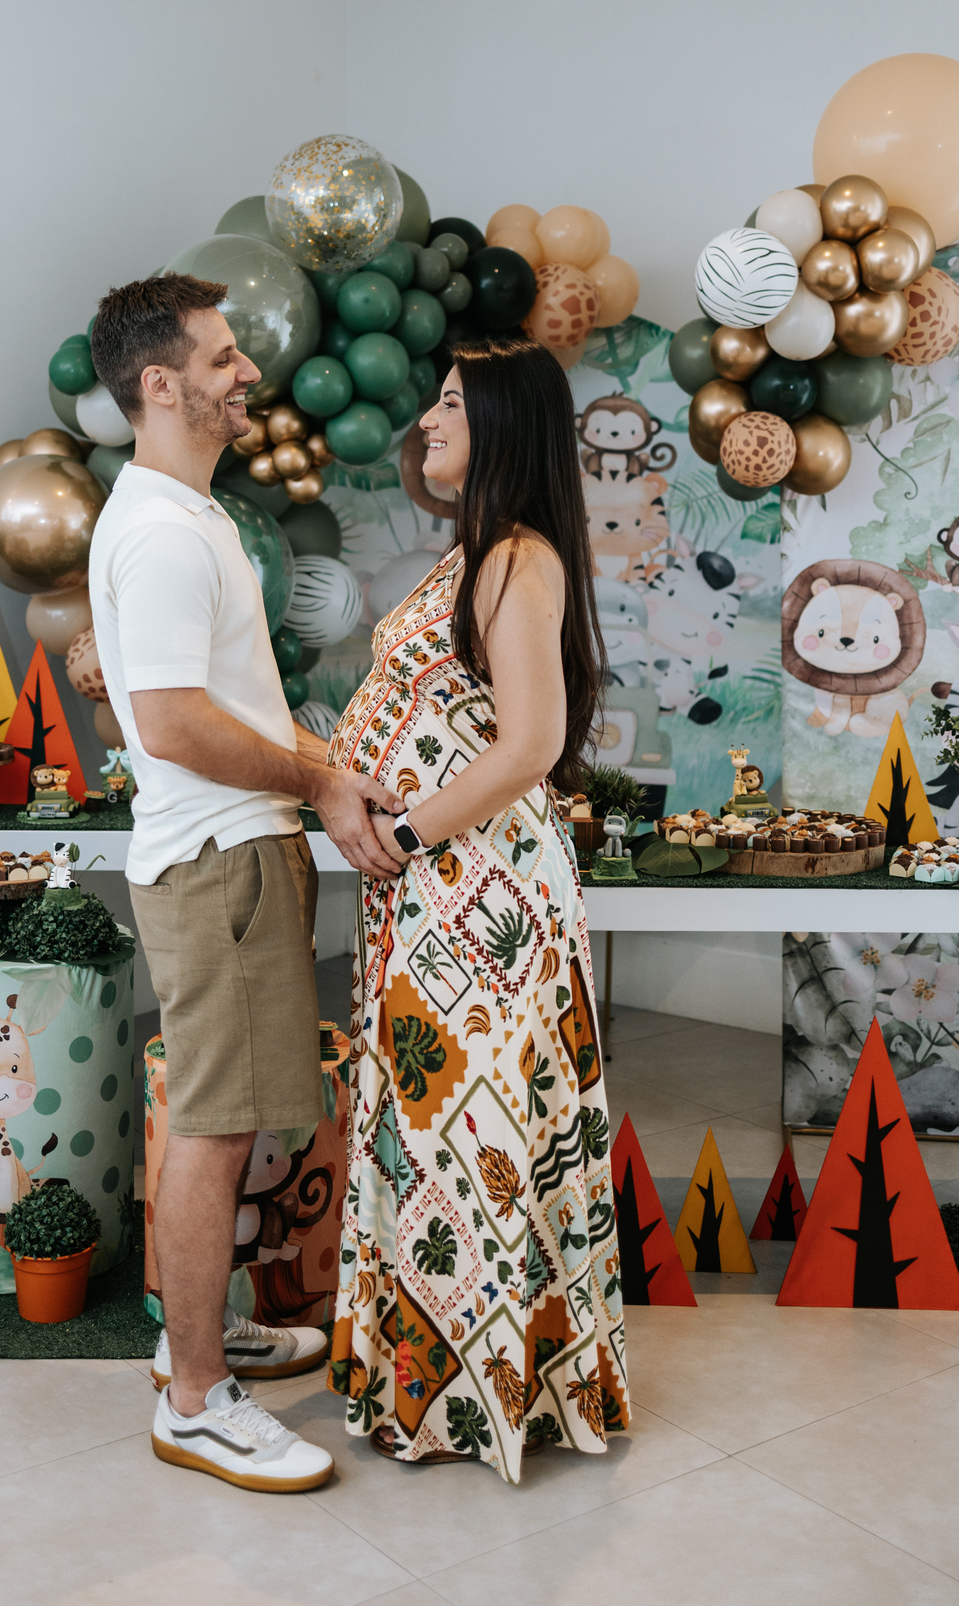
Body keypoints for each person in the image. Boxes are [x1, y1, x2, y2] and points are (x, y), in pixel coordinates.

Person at [87, 273, 402, 1494]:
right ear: (158, 385)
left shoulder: (191, 514)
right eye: (220, 359)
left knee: (239, 1116)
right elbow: (168, 723)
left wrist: (323, 764)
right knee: (215, 1132)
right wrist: (319, 786)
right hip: (220, 857)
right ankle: (196, 1400)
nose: (243, 374)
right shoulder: (166, 530)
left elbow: (221, 703)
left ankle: (204, 1341)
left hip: (235, 851)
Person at [326, 339, 630, 1483]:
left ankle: (490, 1400)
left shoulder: (519, 560)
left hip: (483, 904)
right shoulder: (465, 558)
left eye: (452, 403)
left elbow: (532, 745)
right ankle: (428, 1389)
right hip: (437, 903)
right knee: (430, 1137)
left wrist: (402, 835)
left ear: (504, 424)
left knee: (481, 1141)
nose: (429, 419)